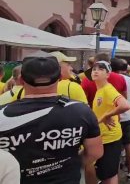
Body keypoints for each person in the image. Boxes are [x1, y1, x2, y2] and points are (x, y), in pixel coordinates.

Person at [0, 52, 103, 183]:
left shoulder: (2, 114)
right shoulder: (82, 111)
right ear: (60, 78)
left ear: (20, 80)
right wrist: (70, 164)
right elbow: (96, 152)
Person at [86, 61, 130, 184]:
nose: (95, 71)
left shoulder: (107, 89)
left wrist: (107, 115)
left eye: (100, 69)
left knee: (109, 174)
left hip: (110, 137)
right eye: (94, 68)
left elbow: (125, 105)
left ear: (108, 74)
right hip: (103, 136)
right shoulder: (100, 90)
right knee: (105, 172)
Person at [110, 58, 130, 181]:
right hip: (126, 116)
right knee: (128, 144)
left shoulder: (107, 79)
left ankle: (114, 173)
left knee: (113, 145)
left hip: (111, 117)